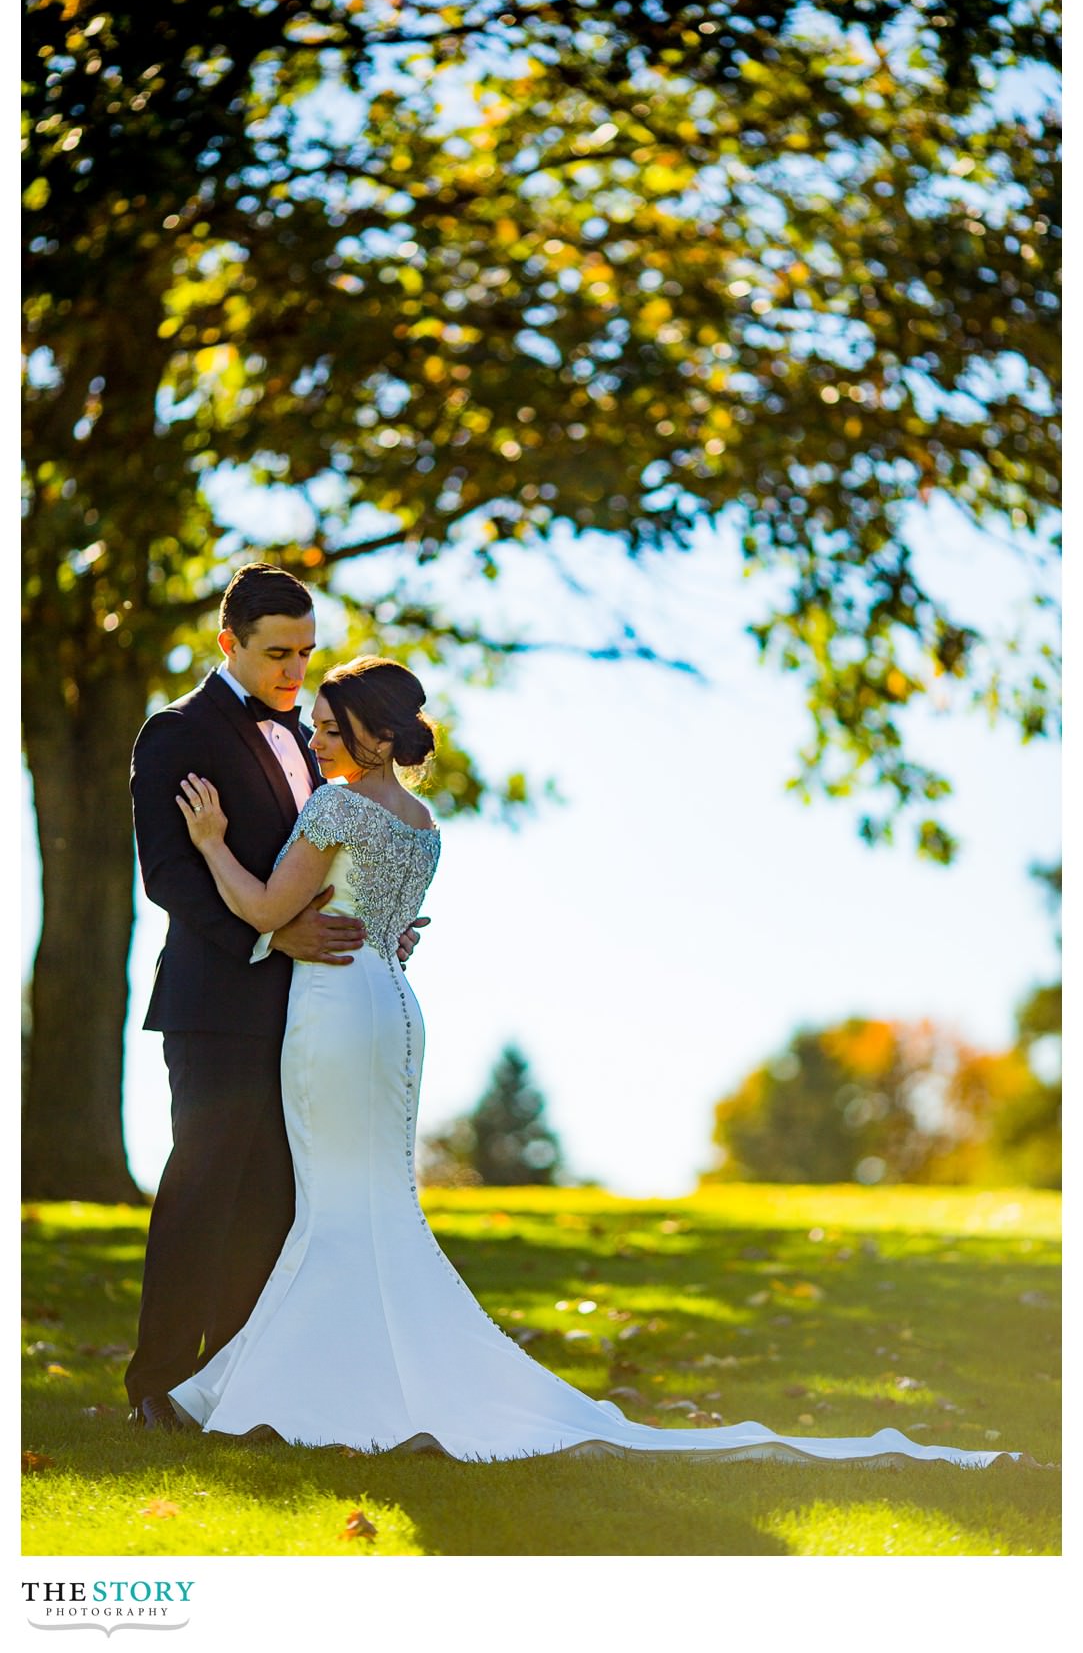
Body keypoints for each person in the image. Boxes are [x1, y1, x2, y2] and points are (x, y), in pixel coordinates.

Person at [167, 655, 1028, 1470]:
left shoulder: (335, 811)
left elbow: (263, 907)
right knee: (375, 1204)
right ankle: (327, 1381)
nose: (314, 742)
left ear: (378, 740)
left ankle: (300, 1392)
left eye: (327, 729)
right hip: (392, 1009)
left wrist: (211, 843)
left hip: (333, 1008)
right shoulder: (424, 827)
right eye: (313, 727)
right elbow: (391, 928)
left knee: (334, 1206)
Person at [125, 564, 424, 1430]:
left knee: (279, 1201)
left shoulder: (309, 737)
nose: (294, 672)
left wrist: (376, 919)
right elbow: (169, 875)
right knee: (206, 1187)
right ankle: (158, 1388)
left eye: (305, 652)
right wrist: (267, 935)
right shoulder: (175, 733)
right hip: (215, 1002)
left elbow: (328, 867)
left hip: (311, 1009)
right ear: (230, 645)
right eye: (276, 654)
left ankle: (239, 1386)